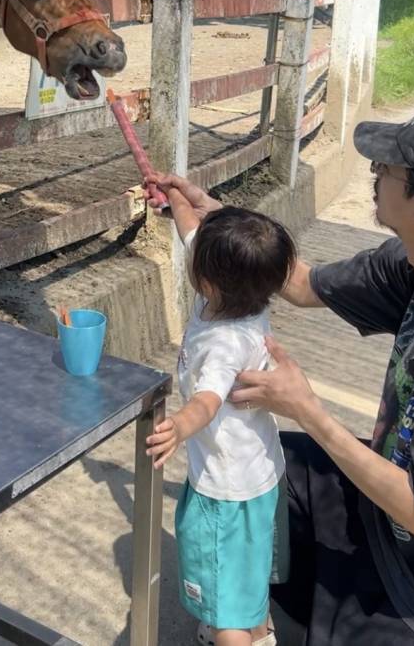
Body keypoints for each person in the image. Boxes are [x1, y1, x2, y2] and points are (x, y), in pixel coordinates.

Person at [146, 111, 414, 645]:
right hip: (380, 506)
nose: (375, 170)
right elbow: (291, 280)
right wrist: (212, 215)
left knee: (237, 584)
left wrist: (310, 410)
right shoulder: (409, 261)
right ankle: (261, 613)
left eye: (389, 167)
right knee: (284, 462)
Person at [145, 175, 297, 646]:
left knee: (222, 603)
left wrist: (177, 427)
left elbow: (206, 402)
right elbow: (193, 229)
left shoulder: (224, 343)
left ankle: (234, 635)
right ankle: (262, 633)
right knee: (245, 576)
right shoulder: (243, 300)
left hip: (224, 489)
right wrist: (173, 192)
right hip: (260, 473)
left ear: (206, 278)